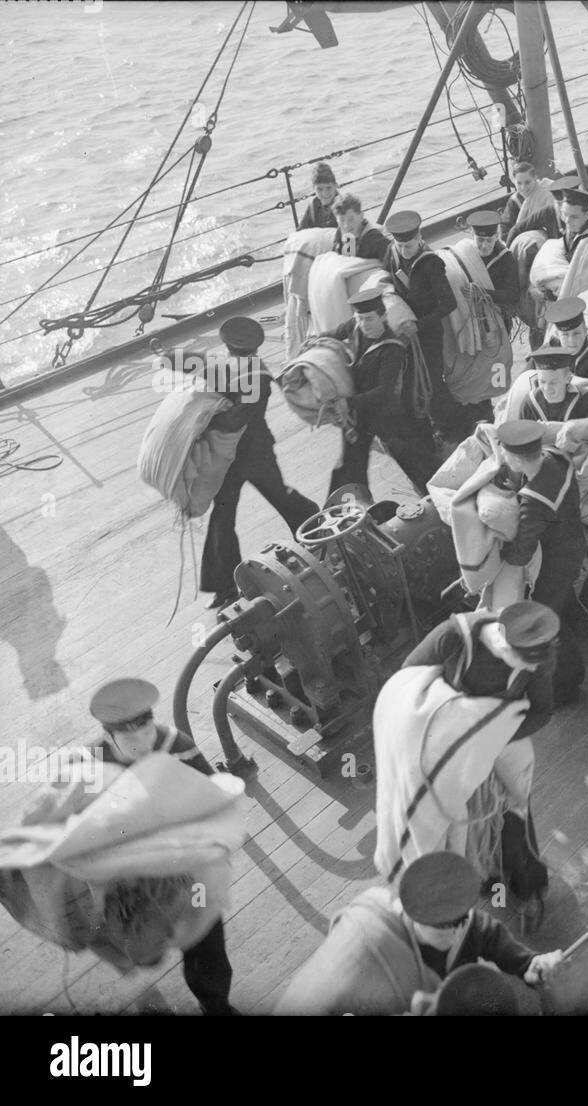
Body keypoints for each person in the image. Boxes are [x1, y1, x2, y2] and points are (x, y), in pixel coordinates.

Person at [85, 678, 235, 1016]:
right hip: (128, 877)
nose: (143, 742)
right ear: (108, 736)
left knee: (207, 944)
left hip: (186, 870)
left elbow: (214, 799)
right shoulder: (91, 765)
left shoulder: (176, 745)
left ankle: (216, 1004)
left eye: (146, 729)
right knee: (143, 948)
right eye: (130, 737)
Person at [401, 602, 559, 911]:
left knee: (513, 810)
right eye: (524, 664)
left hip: (496, 742)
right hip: (446, 748)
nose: (529, 672)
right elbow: (407, 682)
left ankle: (525, 884)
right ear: (503, 641)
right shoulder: (452, 637)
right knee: (453, 827)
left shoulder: (534, 659)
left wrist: (493, 737)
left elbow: (542, 711)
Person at [277, 851, 562, 1016]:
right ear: (413, 916)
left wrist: (533, 965)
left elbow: (507, 950)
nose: (458, 930)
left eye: (462, 918)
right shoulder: (365, 941)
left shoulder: (470, 927)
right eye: (447, 926)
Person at [198, 317, 318, 608]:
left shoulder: (258, 377)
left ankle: (316, 534)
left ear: (229, 347)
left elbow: (237, 417)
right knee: (222, 515)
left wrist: (205, 421)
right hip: (232, 457)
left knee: (280, 496)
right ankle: (224, 585)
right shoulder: (232, 370)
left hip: (253, 453)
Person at [518, 348, 588, 630]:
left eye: (553, 381)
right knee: (559, 561)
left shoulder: (586, 404)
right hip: (554, 497)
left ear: (568, 377)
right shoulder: (530, 404)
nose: (546, 388)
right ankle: (573, 613)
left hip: (586, 491)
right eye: (541, 381)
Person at [495, 420, 587, 704]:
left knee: (548, 621)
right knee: (564, 602)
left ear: (517, 459)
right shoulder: (556, 457)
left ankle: (565, 687)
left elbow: (522, 552)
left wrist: (499, 552)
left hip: (555, 564)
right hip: (574, 545)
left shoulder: (534, 502)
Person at [324, 289, 442, 496]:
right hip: (359, 416)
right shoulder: (356, 326)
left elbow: (385, 391)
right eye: (360, 319)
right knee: (348, 469)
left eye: (369, 320)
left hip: (387, 418)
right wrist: (311, 346)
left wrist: (348, 403)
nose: (364, 325)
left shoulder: (393, 348)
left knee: (419, 467)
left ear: (384, 317)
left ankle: (440, 501)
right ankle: (347, 512)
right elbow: (330, 336)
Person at [382, 209, 462, 438]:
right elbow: (388, 277)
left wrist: (420, 324)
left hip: (428, 332)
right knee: (410, 379)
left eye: (409, 246)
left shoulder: (431, 264)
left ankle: (452, 428)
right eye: (400, 246)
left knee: (434, 381)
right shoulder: (393, 253)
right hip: (405, 330)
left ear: (419, 238)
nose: (404, 252)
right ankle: (426, 426)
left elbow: (448, 304)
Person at [500, 161, 560, 244]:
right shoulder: (515, 200)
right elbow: (504, 229)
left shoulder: (548, 192)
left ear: (535, 178)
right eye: (519, 183)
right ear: (514, 182)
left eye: (527, 182)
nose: (523, 187)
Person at [331, 192, 390, 261]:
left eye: (351, 219)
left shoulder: (376, 239)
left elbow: (392, 265)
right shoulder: (340, 232)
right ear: (336, 220)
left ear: (361, 216)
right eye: (342, 220)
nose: (346, 225)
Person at [297, 161, 339, 230]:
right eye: (320, 189)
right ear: (313, 188)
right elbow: (300, 231)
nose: (325, 193)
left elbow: (350, 237)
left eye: (328, 188)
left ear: (336, 185)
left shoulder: (344, 206)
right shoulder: (313, 205)